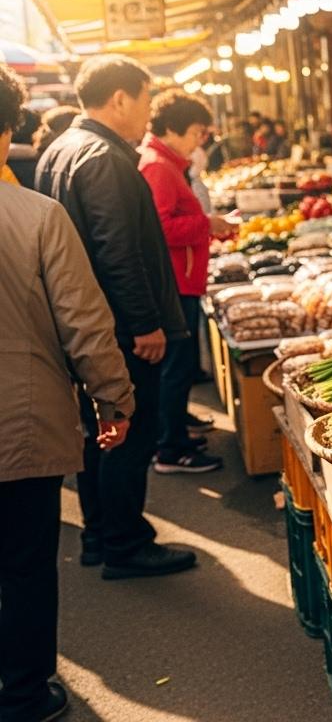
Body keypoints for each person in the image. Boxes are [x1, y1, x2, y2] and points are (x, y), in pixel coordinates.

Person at [0, 61, 134, 722]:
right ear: (9, 130)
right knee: (25, 563)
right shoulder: (35, 216)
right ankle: (23, 696)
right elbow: (85, 323)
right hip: (20, 426)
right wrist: (115, 400)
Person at [35, 54, 196, 580]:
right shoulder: (103, 156)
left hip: (82, 323)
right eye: (147, 98)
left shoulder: (60, 149)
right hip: (118, 327)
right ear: (120, 97)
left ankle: (101, 534)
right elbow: (118, 250)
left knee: (96, 431)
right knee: (130, 427)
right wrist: (145, 323)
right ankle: (125, 544)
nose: (150, 111)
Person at [139, 91, 236, 474]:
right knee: (175, 369)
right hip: (175, 282)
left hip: (183, 277)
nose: (201, 140)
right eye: (197, 131)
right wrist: (206, 224)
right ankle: (171, 449)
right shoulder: (159, 167)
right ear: (176, 128)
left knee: (178, 367)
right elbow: (159, 229)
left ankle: (174, 429)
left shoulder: (166, 163)